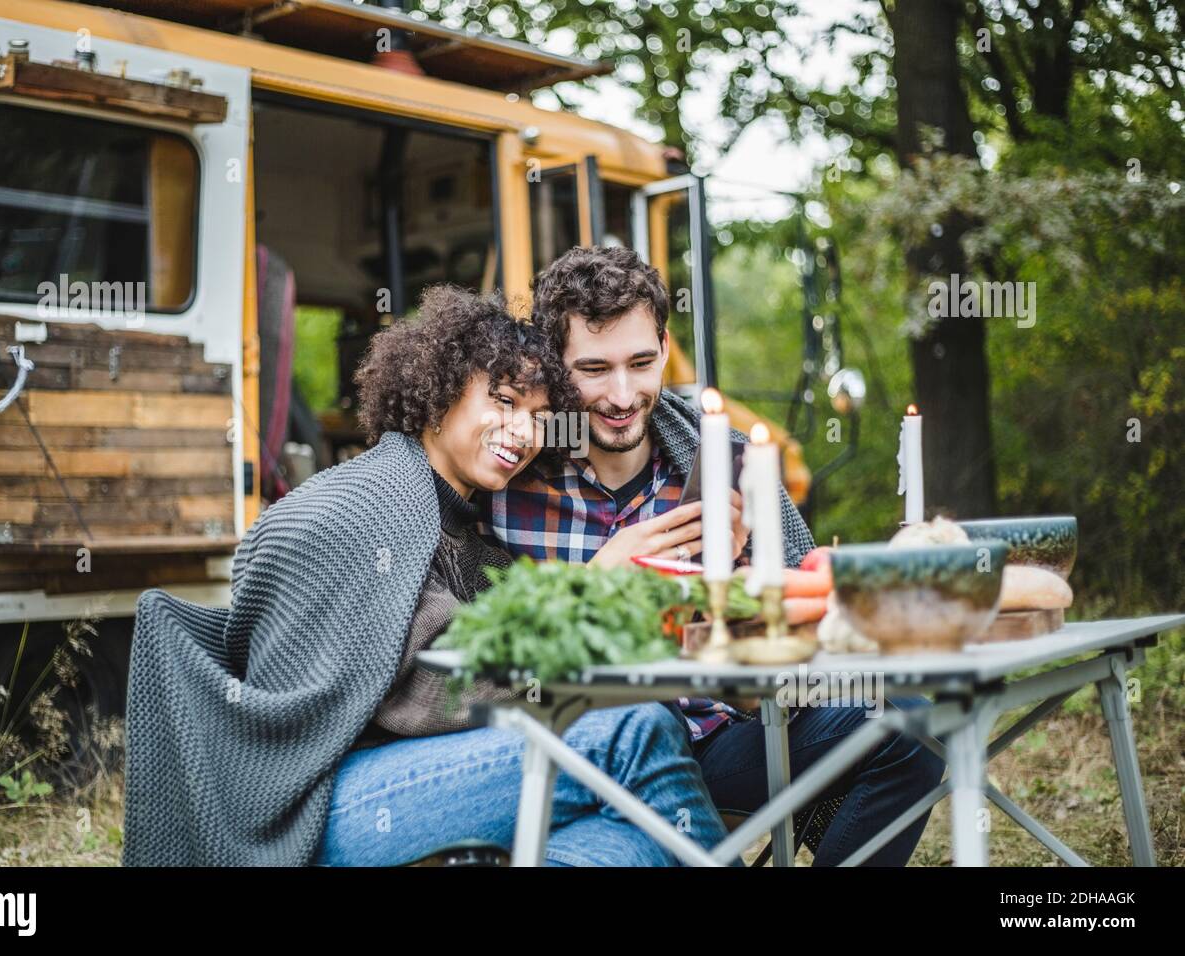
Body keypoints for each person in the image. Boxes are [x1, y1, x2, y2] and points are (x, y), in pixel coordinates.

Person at [123, 286, 727, 867]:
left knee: (626, 841)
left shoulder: (468, 530)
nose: (523, 433)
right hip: (312, 807)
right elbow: (447, 684)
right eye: (506, 401)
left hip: (415, 777)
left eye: (540, 417)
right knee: (635, 727)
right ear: (439, 394)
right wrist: (589, 594)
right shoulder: (367, 501)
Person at [479, 246, 945, 866]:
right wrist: (593, 588)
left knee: (909, 724)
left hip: (717, 740)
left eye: (641, 363)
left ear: (666, 347)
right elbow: (479, 661)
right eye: (594, 369)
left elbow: (809, 621)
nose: (623, 395)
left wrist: (750, 593)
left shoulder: (728, 458)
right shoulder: (505, 477)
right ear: (554, 365)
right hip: (582, 751)